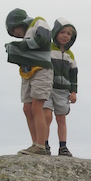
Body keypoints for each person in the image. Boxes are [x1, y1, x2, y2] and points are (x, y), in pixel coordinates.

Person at [5, 8, 53, 155]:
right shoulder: (26, 36)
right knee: (27, 108)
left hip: (41, 70)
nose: (14, 34)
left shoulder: (38, 22)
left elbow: (43, 39)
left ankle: (41, 146)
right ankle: (35, 143)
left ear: (20, 22)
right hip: (28, 73)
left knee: (36, 107)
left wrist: (20, 46)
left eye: (14, 29)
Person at [43, 18, 78, 157]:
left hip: (62, 90)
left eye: (69, 34)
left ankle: (63, 146)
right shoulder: (48, 49)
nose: (65, 36)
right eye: (62, 32)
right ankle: (44, 144)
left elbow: (74, 73)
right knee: (46, 116)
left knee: (61, 118)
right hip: (47, 87)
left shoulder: (70, 55)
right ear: (55, 33)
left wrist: (73, 91)